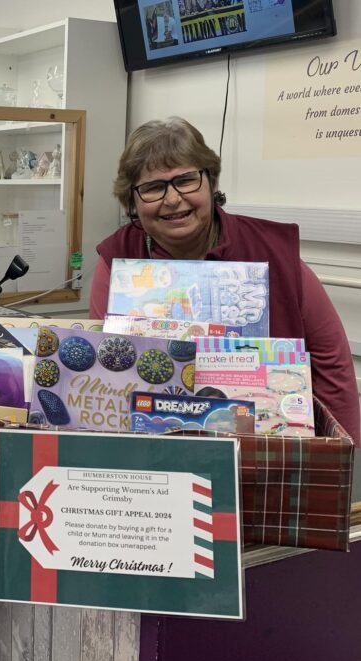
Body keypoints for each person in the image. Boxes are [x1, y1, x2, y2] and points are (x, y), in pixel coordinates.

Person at [90, 116, 360, 444]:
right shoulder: (116, 259)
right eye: (153, 187)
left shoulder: (272, 252)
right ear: (132, 200)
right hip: (150, 443)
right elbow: (104, 364)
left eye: (186, 180)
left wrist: (349, 455)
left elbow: (331, 362)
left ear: (210, 181)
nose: (172, 199)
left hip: (264, 446)